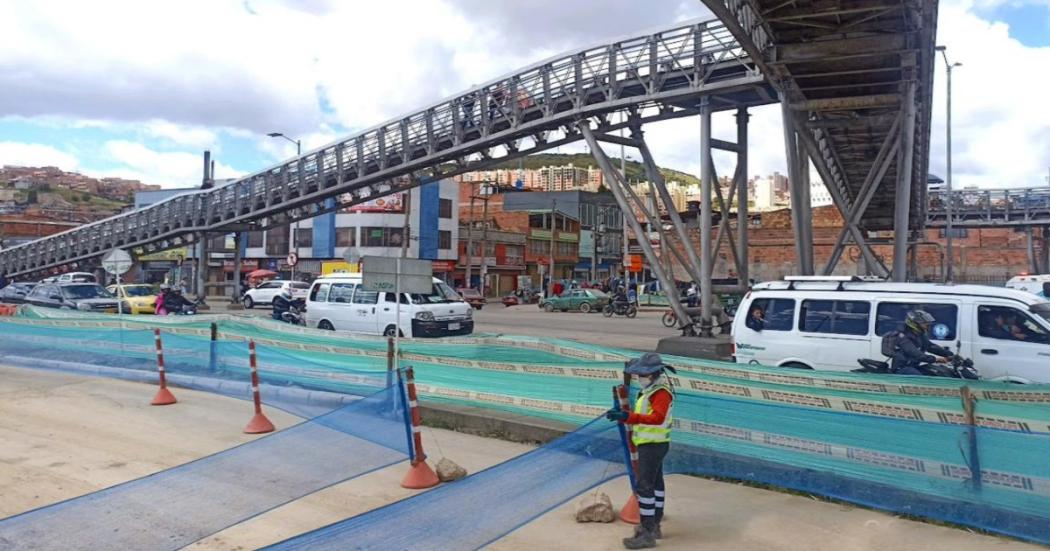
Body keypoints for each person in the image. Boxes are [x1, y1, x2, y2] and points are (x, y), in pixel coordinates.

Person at [605, 353, 677, 549]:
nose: (639, 378)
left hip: (653, 446)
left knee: (645, 487)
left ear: (652, 375)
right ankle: (654, 525)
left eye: (641, 375)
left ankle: (647, 532)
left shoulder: (660, 393)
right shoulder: (650, 391)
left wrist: (629, 417)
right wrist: (625, 416)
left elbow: (657, 418)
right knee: (655, 484)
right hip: (653, 443)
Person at [889, 309, 954, 375]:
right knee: (921, 379)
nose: (928, 324)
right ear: (914, 323)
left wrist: (949, 354)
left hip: (913, 366)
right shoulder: (902, 336)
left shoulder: (919, 335)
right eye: (924, 323)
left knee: (937, 373)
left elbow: (930, 346)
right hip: (902, 368)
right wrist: (936, 359)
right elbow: (916, 354)